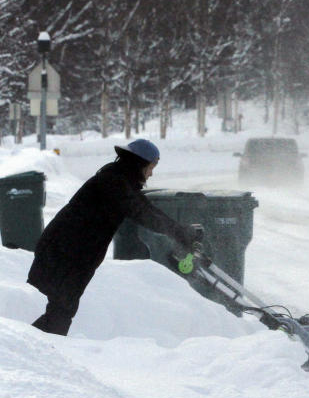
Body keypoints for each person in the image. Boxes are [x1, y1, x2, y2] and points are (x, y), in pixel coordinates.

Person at [27, 139, 199, 336]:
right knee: (61, 310)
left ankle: (36, 350)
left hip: (72, 252)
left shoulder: (119, 179)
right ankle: (32, 350)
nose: (151, 173)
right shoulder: (114, 182)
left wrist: (179, 231)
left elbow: (145, 208)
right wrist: (179, 232)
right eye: (151, 167)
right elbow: (142, 212)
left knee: (62, 310)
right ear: (140, 163)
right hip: (65, 252)